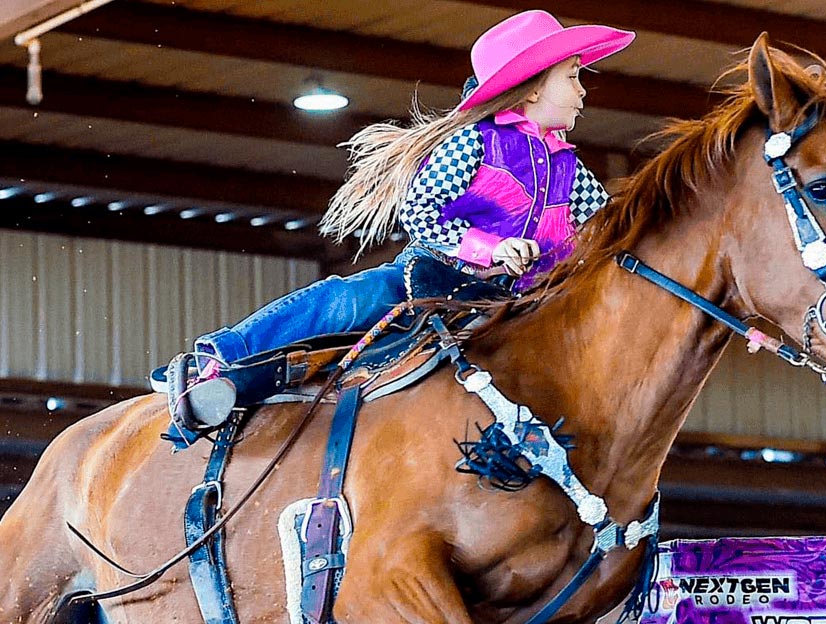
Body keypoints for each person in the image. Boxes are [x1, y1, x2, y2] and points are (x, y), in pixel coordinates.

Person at [166, 9, 634, 433]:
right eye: (573, 77)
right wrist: (492, 249)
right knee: (345, 300)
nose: (582, 91)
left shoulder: (571, 172)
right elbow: (420, 214)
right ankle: (221, 359)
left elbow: (606, 231)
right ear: (533, 87)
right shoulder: (473, 142)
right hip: (433, 282)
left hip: (508, 306)